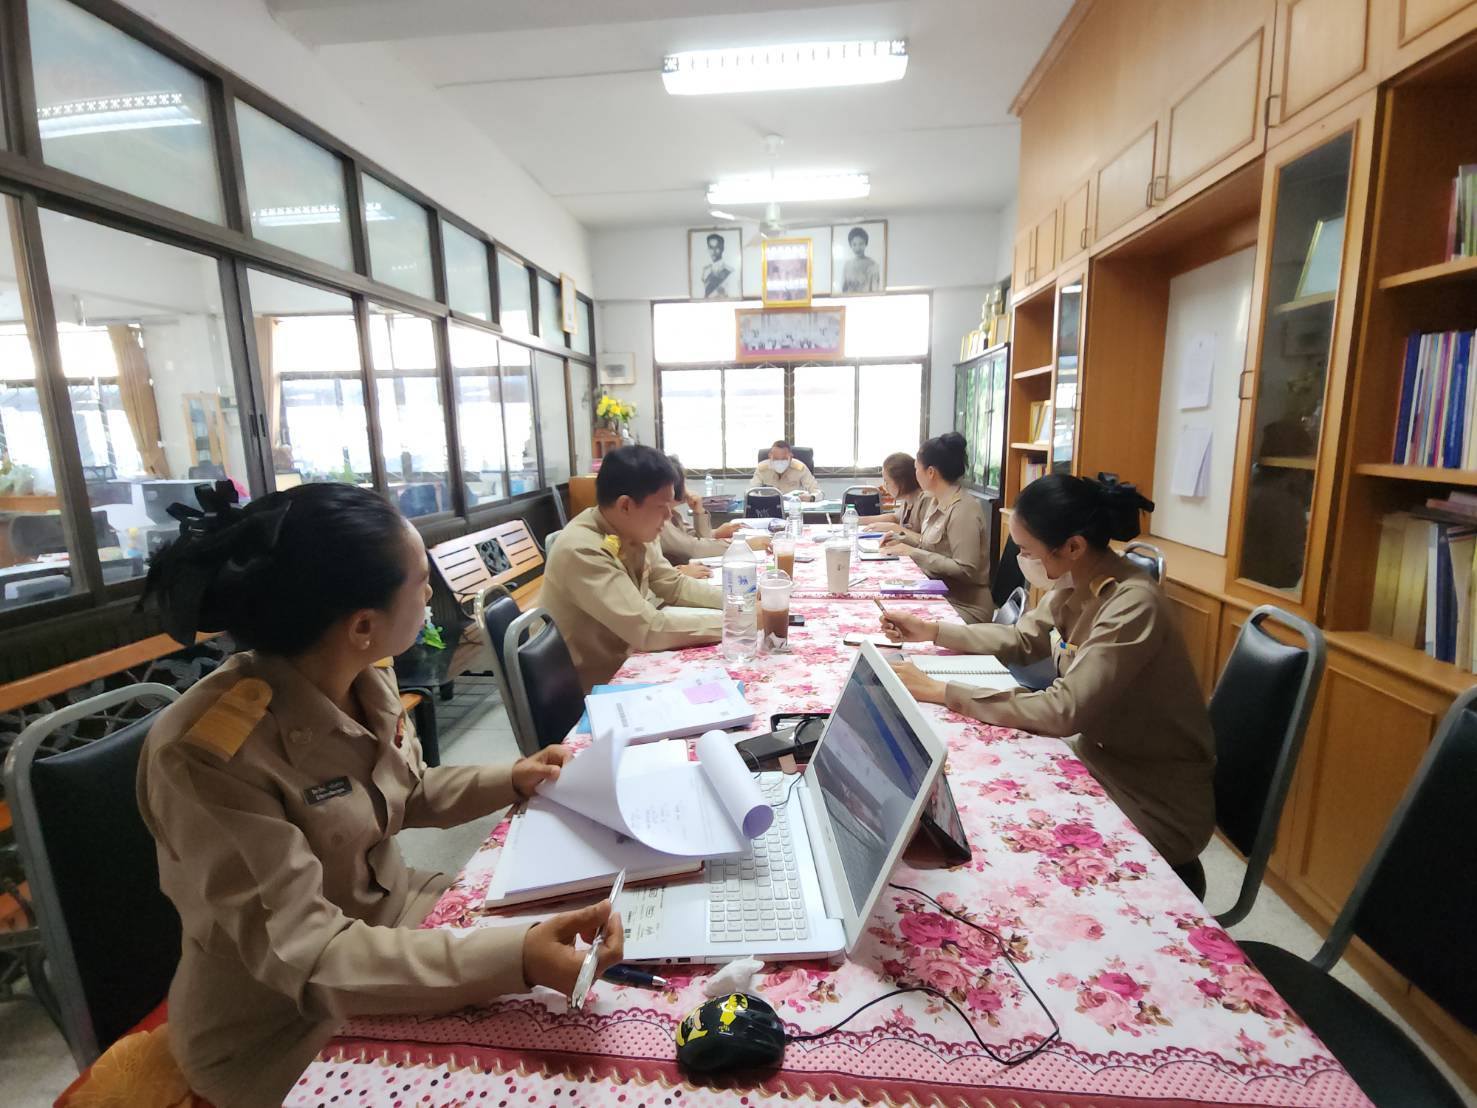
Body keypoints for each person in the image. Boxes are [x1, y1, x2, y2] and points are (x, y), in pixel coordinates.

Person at [136, 481, 622, 1108]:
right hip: (285, 1022)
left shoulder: (363, 673)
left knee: (588, 975)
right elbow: (310, 954)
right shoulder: (207, 756)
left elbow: (404, 791)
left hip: (395, 922)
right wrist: (516, 959)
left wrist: (513, 776)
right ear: (363, 623)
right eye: (422, 581)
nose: (431, 594)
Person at [879, 473, 1215, 887]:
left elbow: (1062, 710)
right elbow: (1021, 637)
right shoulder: (1081, 580)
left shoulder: (1132, 604)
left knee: (1007, 847)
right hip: (1096, 762)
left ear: (1073, 546)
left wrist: (943, 692)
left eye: (1026, 551)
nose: (1022, 561)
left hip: (1153, 798)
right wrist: (931, 631)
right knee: (987, 801)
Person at [542, 445, 722, 690]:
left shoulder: (633, 531)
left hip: (627, 662)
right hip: (589, 687)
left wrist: (740, 602)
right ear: (625, 505)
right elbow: (649, 630)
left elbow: (674, 585)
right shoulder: (582, 550)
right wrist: (736, 623)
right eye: (662, 507)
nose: (669, 516)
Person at [880, 432, 992, 621]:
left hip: (964, 605)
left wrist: (911, 552)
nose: (914, 475)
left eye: (916, 469)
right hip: (939, 593)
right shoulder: (935, 501)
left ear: (931, 472)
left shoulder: (963, 509)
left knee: (901, 622)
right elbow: (929, 544)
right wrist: (899, 540)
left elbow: (966, 569)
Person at [660, 455, 767, 577]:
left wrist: (699, 513)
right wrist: (744, 547)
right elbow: (694, 549)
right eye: (684, 483)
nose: (687, 489)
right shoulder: (660, 522)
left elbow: (699, 539)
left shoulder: (673, 514)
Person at [858, 451, 927, 531]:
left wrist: (893, 528)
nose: (885, 486)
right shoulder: (908, 499)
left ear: (901, 481)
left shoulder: (925, 501)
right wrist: (859, 520)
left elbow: (927, 542)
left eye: (887, 481)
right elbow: (895, 518)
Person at [750, 440, 820, 499]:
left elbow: (818, 492)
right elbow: (750, 492)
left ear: (791, 456)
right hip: (768, 509)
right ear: (770, 456)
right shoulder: (762, 468)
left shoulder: (800, 468)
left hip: (793, 509)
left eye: (783, 459)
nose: (780, 462)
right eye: (776, 459)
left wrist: (811, 498)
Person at [841, 226, 882, 293]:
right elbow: (843, 289)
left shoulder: (873, 264)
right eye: (854, 244)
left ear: (866, 244)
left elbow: (875, 289)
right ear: (850, 245)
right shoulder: (847, 265)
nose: (858, 248)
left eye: (861, 244)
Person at [700, 232, 736, 299]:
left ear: (722, 248)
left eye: (717, 247)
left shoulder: (730, 271)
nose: (713, 251)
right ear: (708, 249)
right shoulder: (705, 271)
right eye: (711, 248)